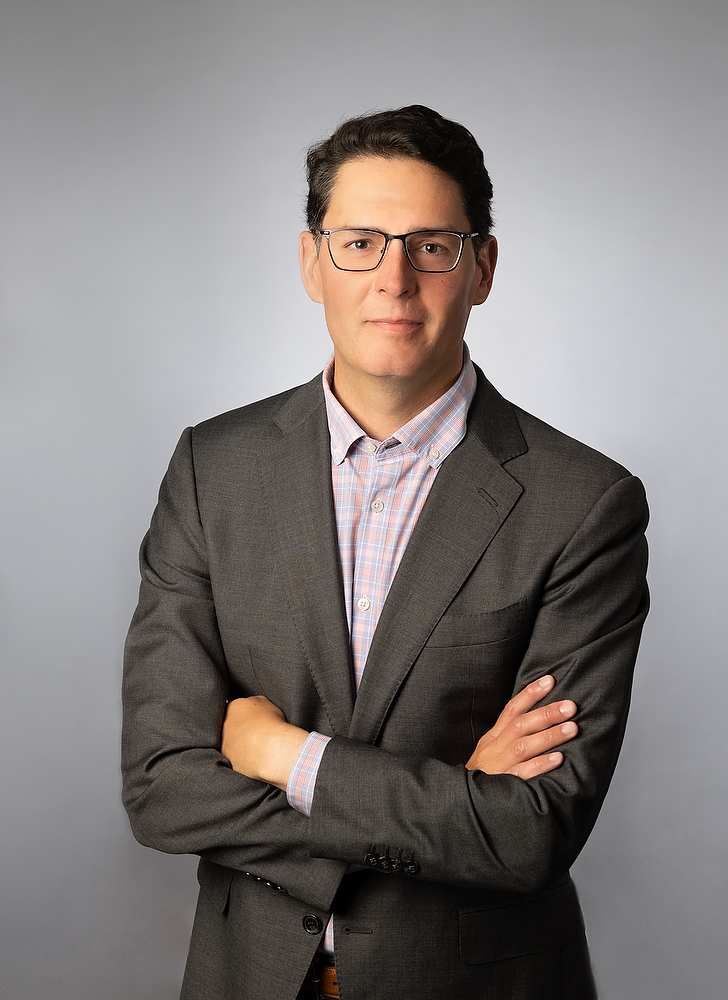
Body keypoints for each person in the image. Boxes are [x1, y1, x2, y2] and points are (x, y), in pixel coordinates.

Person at [122, 105, 649, 1000]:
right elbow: (162, 787)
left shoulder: (585, 504)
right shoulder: (213, 468)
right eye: (360, 241)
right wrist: (450, 803)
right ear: (311, 262)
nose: (393, 280)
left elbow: (528, 835)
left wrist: (283, 756)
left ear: (482, 267)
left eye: (432, 245)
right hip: (246, 977)